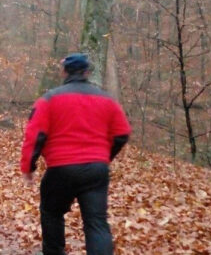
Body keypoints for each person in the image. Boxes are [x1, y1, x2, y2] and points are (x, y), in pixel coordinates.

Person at [20, 53, 131, 255]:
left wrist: (28, 167)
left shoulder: (49, 99)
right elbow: (122, 133)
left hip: (61, 169)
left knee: (52, 212)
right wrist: (105, 157)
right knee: (96, 222)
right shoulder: (107, 100)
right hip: (96, 170)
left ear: (64, 72)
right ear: (87, 72)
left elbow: (35, 135)